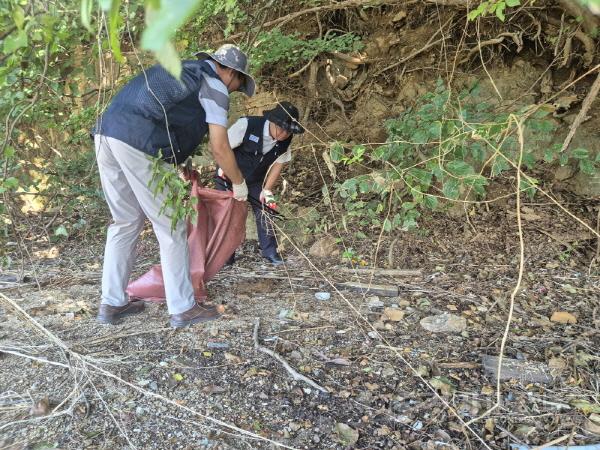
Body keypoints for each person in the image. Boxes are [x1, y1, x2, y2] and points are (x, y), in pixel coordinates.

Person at [93, 44, 255, 328]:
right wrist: (239, 183)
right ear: (230, 71)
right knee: (171, 226)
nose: (233, 90)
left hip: (106, 133)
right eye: (238, 83)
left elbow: (164, 114)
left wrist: (176, 161)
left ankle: (112, 303)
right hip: (137, 140)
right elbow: (220, 146)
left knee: (125, 221)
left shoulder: (180, 70)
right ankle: (183, 307)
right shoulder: (214, 84)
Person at [215, 101, 304, 266]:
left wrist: (267, 190)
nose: (284, 134)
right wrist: (229, 176)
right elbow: (222, 148)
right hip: (229, 176)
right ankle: (226, 256)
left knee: (266, 208)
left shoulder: (285, 140)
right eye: (281, 128)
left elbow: (279, 163)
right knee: (229, 214)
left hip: (255, 180)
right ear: (271, 121)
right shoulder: (247, 125)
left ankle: (270, 251)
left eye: (288, 131)